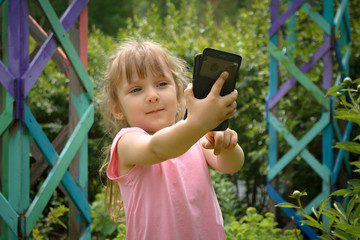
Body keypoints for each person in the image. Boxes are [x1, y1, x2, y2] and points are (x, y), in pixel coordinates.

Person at [100, 39, 244, 240]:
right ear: (117, 109)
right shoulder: (127, 142)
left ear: (178, 96)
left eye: (161, 84)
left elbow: (231, 165)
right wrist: (199, 124)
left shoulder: (195, 136)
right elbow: (158, 149)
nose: (152, 96)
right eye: (136, 89)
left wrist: (228, 145)